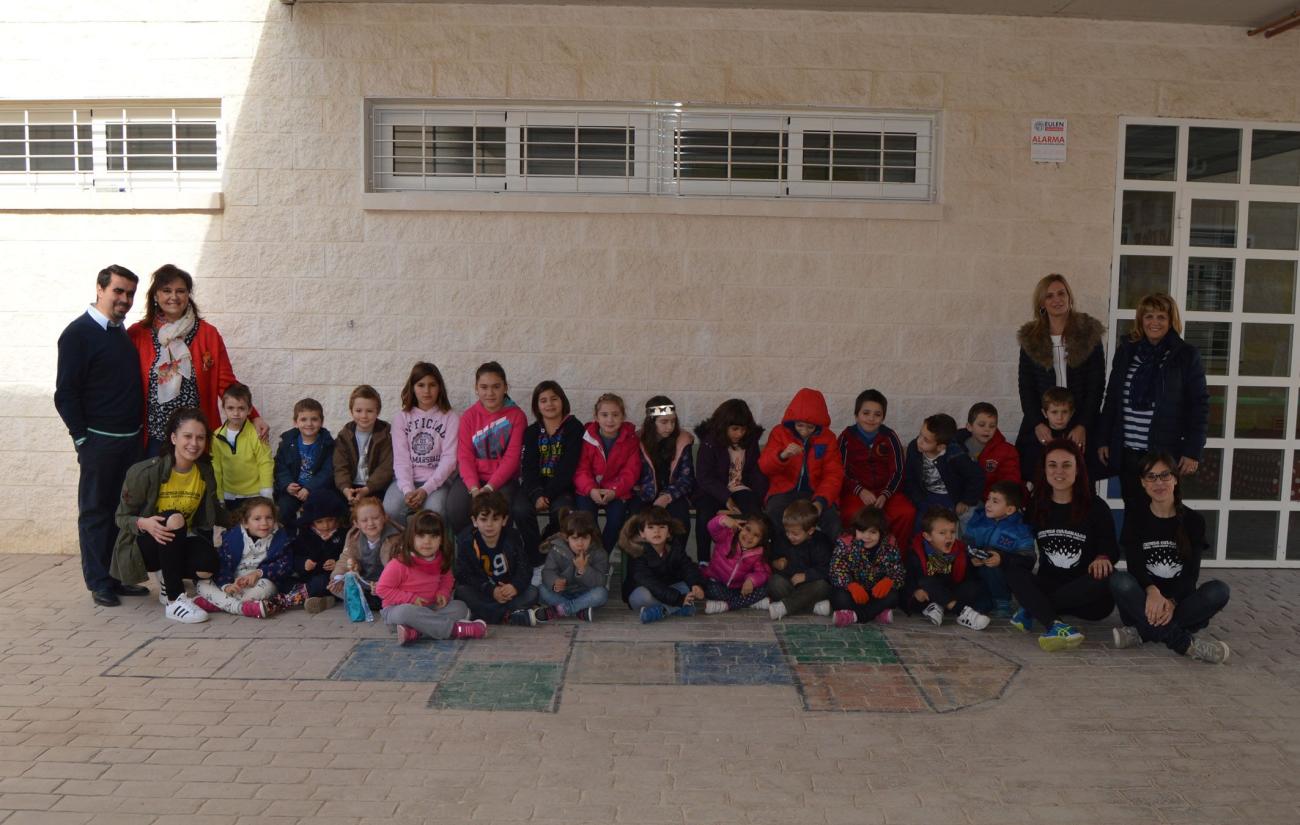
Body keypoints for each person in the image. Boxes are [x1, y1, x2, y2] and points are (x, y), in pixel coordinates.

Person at [54, 264, 150, 607]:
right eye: (118, 291)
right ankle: (98, 582)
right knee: (96, 512)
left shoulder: (119, 332)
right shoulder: (78, 334)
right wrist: (83, 440)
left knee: (120, 512)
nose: (124, 299)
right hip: (99, 442)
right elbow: (65, 394)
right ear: (100, 288)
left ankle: (117, 577)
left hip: (129, 441)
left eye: (129, 294)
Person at [126, 264, 267, 456]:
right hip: (154, 438)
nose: (173, 297)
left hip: (196, 438)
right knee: (156, 486)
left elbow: (226, 384)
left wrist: (253, 416)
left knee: (198, 486)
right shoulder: (137, 334)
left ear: (188, 295)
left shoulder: (208, 334)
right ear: (156, 296)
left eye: (180, 291)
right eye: (166, 291)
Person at [1110, 452, 1230, 664]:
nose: (1159, 482)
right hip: (1142, 603)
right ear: (1143, 483)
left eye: (1165, 475)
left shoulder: (1193, 520)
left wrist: (1172, 601)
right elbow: (1135, 568)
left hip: (1180, 604)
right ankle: (1185, 643)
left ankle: (1141, 633)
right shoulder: (1135, 517)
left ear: (1175, 478)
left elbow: (1191, 574)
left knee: (1219, 590)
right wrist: (1153, 592)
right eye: (1151, 477)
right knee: (1119, 581)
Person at [108, 406, 222, 624]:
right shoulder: (145, 472)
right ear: (173, 437)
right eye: (187, 436)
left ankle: (167, 582)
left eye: (200, 437)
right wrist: (144, 523)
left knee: (208, 565)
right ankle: (174, 600)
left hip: (178, 542)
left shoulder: (205, 472)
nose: (194, 443)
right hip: (145, 546)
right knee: (174, 518)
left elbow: (215, 511)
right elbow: (121, 517)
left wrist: (253, 516)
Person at [1098, 293, 1209, 512]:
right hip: (1129, 451)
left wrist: (1193, 450)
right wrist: (1103, 439)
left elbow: (1199, 405)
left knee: (1164, 513)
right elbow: (1112, 398)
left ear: (1171, 321)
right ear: (1141, 320)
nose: (1154, 322)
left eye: (1161, 317)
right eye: (1149, 316)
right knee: (1133, 511)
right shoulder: (1127, 351)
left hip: (1164, 453)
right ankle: (1132, 548)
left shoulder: (1186, 355)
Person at [1009, 439, 1118, 651]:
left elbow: (1110, 548)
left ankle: (1035, 608)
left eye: (1066, 465)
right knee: (1013, 570)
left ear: (1077, 469)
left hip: (1086, 593)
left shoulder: (1095, 506)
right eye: (1052, 465)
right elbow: (1020, 541)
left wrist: (1102, 557)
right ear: (1044, 469)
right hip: (1050, 582)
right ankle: (1055, 625)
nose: (1059, 471)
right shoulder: (1036, 504)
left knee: (1105, 581)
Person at [1015, 273, 1105, 478]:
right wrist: (1037, 423)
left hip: (1080, 419)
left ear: (1069, 297)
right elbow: (1025, 385)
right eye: (1049, 296)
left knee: (1082, 482)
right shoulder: (1031, 338)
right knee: (1040, 481)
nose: (1057, 300)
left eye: (1061, 293)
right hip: (1044, 421)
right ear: (1041, 303)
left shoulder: (1088, 333)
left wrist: (1083, 424)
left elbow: (1096, 385)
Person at [375, 510, 486, 646]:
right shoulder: (399, 563)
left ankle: (416, 632)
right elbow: (382, 589)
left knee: (460, 608)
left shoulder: (441, 559)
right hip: (397, 612)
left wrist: (443, 593)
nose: (427, 541)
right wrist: (410, 599)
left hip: (430, 608)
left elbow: (447, 579)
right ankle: (456, 630)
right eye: (421, 536)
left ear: (441, 540)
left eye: (433, 536)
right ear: (411, 537)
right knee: (407, 612)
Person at [446, 362, 528, 536]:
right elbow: (465, 456)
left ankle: (499, 554)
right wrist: (474, 489)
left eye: (496, 387)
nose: (490, 393)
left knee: (499, 510)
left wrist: (490, 488)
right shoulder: (469, 416)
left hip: (503, 480)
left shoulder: (516, 416)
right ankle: (469, 550)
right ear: (476, 388)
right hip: (472, 479)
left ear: (505, 387)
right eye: (484, 387)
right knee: (456, 507)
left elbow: (512, 458)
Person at [759, 387, 844, 538]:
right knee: (773, 515)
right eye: (800, 425)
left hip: (816, 492)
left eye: (810, 427)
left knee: (834, 523)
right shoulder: (779, 433)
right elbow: (764, 466)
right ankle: (778, 559)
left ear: (818, 425)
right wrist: (783, 455)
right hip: (784, 491)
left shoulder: (828, 438)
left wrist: (821, 501)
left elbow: (834, 474)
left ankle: (833, 561)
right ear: (792, 422)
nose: (804, 431)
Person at [453, 490, 545, 627]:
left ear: (504, 520)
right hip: (484, 591)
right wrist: (491, 590)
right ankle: (508, 616)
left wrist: (514, 586)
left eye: (495, 519)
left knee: (532, 593)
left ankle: (484, 614)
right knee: (461, 592)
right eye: (484, 519)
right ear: (475, 521)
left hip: (508, 591)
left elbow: (524, 568)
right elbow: (464, 575)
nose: (489, 524)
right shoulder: (466, 542)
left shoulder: (512, 538)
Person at [692, 399, 768, 564]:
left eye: (743, 429)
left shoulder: (750, 442)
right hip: (712, 490)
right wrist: (726, 497)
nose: (739, 434)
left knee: (756, 517)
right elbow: (704, 477)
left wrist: (760, 497)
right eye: (734, 429)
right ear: (723, 426)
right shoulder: (710, 442)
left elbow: (756, 471)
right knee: (704, 515)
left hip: (740, 487)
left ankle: (754, 559)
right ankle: (703, 561)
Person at [518, 381, 585, 558]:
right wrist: (537, 494)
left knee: (561, 511)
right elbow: (528, 467)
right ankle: (535, 557)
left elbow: (568, 466)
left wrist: (547, 495)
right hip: (535, 487)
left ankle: (550, 545)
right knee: (520, 510)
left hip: (562, 487)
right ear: (537, 406)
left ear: (562, 400)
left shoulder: (574, 428)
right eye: (543, 400)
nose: (549, 404)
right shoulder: (532, 432)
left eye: (554, 399)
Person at [386, 361, 459, 526]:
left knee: (435, 512)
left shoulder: (451, 417)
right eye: (421, 385)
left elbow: (449, 459)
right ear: (412, 387)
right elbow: (401, 458)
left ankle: (434, 551)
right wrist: (408, 490)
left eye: (432, 385)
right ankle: (400, 549)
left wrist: (426, 489)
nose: (427, 391)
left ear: (439, 387)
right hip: (406, 481)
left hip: (438, 482)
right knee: (390, 509)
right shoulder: (401, 418)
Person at [836, 389, 911, 545]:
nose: (871, 418)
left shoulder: (890, 436)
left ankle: (894, 559)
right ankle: (854, 559)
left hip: (887, 492)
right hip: (856, 492)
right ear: (856, 415)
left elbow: (899, 471)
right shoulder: (846, 437)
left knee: (906, 513)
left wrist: (886, 494)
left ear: (883, 417)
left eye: (877, 414)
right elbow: (839, 470)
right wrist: (860, 491)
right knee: (851, 514)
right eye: (866, 413)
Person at [195, 497, 290, 619]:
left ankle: (218, 603)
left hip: (256, 584)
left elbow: (284, 565)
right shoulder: (232, 538)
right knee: (202, 583)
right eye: (257, 519)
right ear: (245, 522)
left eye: (269, 517)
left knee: (268, 586)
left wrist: (258, 573)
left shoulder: (280, 538)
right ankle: (241, 608)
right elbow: (222, 565)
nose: (264, 523)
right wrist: (226, 586)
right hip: (232, 584)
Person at [574, 393, 641, 551]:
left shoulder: (631, 440)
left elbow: (631, 471)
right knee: (587, 521)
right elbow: (580, 469)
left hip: (617, 491)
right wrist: (591, 490)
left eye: (615, 415)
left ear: (623, 416)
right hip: (588, 490)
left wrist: (613, 491)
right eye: (604, 415)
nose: (610, 420)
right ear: (596, 417)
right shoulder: (586, 438)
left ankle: (602, 557)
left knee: (617, 520)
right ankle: (593, 556)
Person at [903, 506, 988, 630]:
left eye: (952, 532)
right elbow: (907, 580)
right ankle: (962, 613)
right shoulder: (916, 552)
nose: (949, 537)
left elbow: (966, 579)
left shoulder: (960, 550)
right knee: (926, 582)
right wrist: (914, 591)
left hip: (947, 592)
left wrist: (974, 563)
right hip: (924, 596)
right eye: (942, 533)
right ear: (927, 536)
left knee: (974, 586)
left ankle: (940, 606)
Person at [959, 480, 1034, 619]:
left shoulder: (1020, 530)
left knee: (994, 563)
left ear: (1010, 509)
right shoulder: (978, 520)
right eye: (988, 499)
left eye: (995, 501)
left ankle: (1002, 602)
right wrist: (972, 556)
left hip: (1001, 576)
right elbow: (966, 543)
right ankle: (982, 601)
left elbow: (1028, 559)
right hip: (978, 572)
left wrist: (1002, 559)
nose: (988, 504)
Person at [619, 506, 704, 623]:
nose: (656, 531)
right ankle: (677, 608)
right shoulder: (637, 552)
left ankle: (660, 611)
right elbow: (650, 583)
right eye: (651, 527)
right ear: (642, 533)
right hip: (643, 591)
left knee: (687, 586)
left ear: (669, 532)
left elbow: (687, 566)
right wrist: (678, 599)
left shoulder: (675, 547)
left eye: (662, 527)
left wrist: (695, 584)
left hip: (666, 589)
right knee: (644, 596)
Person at [634, 396, 695, 548]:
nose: (669, 427)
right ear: (651, 422)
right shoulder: (637, 440)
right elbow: (632, 473)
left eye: (673, 421)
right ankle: (639, 565)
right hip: (644, 492)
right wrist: (641, 490)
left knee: (680, 519)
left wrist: (667, 497)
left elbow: (686, 479)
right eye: (664, 422)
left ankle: (675, 561)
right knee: (635, 518)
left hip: (673, 493)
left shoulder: (682, 441)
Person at [900, 413, 984, 525]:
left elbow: (976, 476)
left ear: (941, 447)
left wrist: (966, 501)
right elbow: (909, 477)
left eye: (926, 440)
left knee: (941, 525)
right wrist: (918, 499)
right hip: (924, 495)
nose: (919, 441)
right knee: (921, 524)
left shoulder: (956, 455)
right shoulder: (914, 448)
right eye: (920, 434)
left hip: (949, 496)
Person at [830, 507, 904, 627]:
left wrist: (890, 580)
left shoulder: (889, 544)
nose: (866, 537)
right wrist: (850, 585)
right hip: (853, 593)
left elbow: (899, 570)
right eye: (862, 531)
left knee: (893, 596)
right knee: (838, 597)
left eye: (872, 532)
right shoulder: (845, 543)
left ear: (881, 532)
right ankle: (876, 613)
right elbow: (836, 569)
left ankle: (855, 616)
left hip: (876, 594)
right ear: (855, 530)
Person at [329, 495, 403, 611]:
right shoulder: (354, 538)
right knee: (336, 585)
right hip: (365, 582)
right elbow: (345, 558)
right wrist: (339, 577)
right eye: (364, 520)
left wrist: (382, 584)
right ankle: (365, 600)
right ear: (356, 524)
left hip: (386, 584)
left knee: (392, 594)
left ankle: (368, 602)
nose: (370, 523)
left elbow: (400, 568)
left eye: (375, 518)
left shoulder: (395, 538)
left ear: (385, 517)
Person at [211, 382, 274, 518]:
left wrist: (267, 493)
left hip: (255, 495)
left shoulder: (257, 433)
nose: (236, 413)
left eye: (241, 408)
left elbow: (265, 463)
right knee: (233, 533)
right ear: (224, 409)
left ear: (249, 410)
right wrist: (219, 496)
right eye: (231, 408)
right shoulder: (216, 436)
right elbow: (216, 469)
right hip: (230, 496)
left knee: (255, 531)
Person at [273, 398, 335, 529]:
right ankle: (287, 540)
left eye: (314, 419)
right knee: (283, 510)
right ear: (295, 422)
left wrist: (309, 488)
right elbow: (280, 467)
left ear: (322, 421)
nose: (309, 424)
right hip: (292, 490)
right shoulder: (287, 443)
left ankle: (311, 539)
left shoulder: (328, 444)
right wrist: (287, 485)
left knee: (318, 511)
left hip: (316, 490)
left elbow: (327, 471)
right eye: (303, 419)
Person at [766, 500, 833, 620]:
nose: (790, 536)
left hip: (810, 586)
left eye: (795, 534)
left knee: (822, 586)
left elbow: (827, 569)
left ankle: (786, 607)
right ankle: (812, 608)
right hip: (789, 584)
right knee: (774, 581)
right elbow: (770, 556)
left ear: (810, 531)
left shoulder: (821, 542)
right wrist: (775, 562)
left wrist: (806, 576)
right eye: (787, 532)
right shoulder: (782, 538)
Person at [538, 509, 609, 621]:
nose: (580, 543)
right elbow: (548, 571)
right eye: (575, 538)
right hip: (562, 593)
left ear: (591, 537)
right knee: (542, 589)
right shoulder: (557, 549)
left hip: (585, 593)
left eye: (585, 538)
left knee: (601, 594)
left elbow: (600, 582)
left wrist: (583, 569)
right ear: (567, 537)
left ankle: (562, 609)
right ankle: (579, 610)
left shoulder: (599, 553)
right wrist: (555, 582)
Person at [701, 512, 773, 614]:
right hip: (717, 583)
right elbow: (711, 527)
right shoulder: (726, 536)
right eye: (748, 529)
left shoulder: (758, 553)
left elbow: (762, 573)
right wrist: (723, 520)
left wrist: (751, 581)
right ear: (741, 525)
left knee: (765, 588)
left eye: (756, 535)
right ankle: (749, 602)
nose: (749, 536)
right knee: (710, 588)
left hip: (738, 588)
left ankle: (727, 606)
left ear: (761, 540)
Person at [333, 384, 394, 505]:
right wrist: (346, 489)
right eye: (358, 411)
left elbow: (385, 469)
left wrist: (366, 490)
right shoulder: (344, 436)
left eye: (370, 411)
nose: (364, 416)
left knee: (372, 510)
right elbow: (340, 467)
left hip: (375, 487)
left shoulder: (386, 436)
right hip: (349, 487)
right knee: (333, 506)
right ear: (351, 411)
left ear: (378, 411)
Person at [289, 490, 347, 613]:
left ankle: (299, 596)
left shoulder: (343, 534)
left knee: (320, 583)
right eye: (319, 521)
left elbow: (350, 555)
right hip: (307, 576)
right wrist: (304, 563)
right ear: (312, 521)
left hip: (331, 578)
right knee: (286, 581)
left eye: (330, 520)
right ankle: (325, 600)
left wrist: (337, 563)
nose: (326, 525)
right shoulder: (305, 535)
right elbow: (295, 557)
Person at [956, 402, 1021, 499]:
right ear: (969, 427)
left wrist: (993, 499)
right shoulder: (957, 446)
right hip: (961, 498)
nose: (987, 429)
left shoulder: (1007, 451)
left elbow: (1010, 481)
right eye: (982, 425)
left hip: (992, 500)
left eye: (992, 426)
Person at [1020, 387, 1078, 485]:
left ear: (1071, 413)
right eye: (1054, 412)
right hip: (1041, 486)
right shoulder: (1035, 437)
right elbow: (1028, 469)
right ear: (1044, 413)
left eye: (1064, 412)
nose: (1060, 417)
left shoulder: (1075, 437)